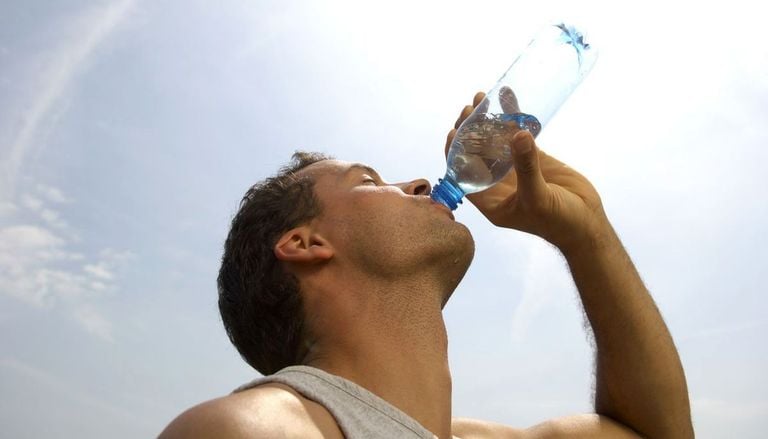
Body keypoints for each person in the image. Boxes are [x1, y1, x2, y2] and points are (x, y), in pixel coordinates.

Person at [159, 92, 694, 438]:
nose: (416, 182)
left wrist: (586, 234)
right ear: (305, 243)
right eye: (369, 181)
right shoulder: (256, 431)